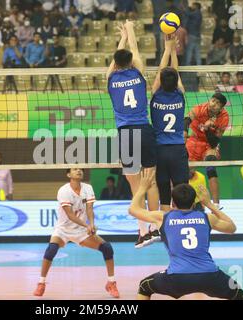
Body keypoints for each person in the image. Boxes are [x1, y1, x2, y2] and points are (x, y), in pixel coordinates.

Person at [129, 169, 243, 300]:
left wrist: (142, 188)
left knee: (145, 286)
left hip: (177, 278)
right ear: (194, 203)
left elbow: (133, 210)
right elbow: (232, 228)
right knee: (237, 294)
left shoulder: (163, 217)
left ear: (172, 203)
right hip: (209, 276)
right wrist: (209, 204)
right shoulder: (207, 218)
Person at [106, 21, 159, 248]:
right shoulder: (138, 74)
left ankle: (142, 231)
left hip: (126, 133)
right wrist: (130, 31)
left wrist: (122, 37)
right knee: (152, 181)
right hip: (145, 130)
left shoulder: (111, 79)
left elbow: (116, 59)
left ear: (115, 64)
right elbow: (135, 52)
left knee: (134, 185)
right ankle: (156, 227)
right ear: (130, 62)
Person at [33, 168, 120, 298]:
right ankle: (41, 283)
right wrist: (87, 225)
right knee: (51, 250)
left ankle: (111, 283)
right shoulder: (63, 190)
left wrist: (91, 224)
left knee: (107, 248)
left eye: (80, 169)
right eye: (75, 169)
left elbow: (90, 209)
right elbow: (70, 215)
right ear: (69, 174)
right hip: (63, 230)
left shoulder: (88, 188)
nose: (79, 171)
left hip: (80, 231)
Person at [150, 35, 189, 214]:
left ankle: (166, 228)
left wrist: (167, 48)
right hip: (178, 149)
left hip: (160, 149)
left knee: (164, 191)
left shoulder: (155, 94)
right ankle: (185, 220)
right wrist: (174, 50)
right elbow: (176, 72)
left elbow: (161, 72)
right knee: (182, 190)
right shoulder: (180, 94)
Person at [184, 92, 229, 206]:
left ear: (222, 107)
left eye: (218, 103)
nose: (214, 104)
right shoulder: (199, 109)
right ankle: (180, 201)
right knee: (186, 173)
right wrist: (184, 133)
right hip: (194, 140)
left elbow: (214, 142)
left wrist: (208, 129)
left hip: (210, 144)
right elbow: (186, 120)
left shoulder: (224, 117)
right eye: (213, 100)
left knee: (210, 167)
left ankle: (216, 205)